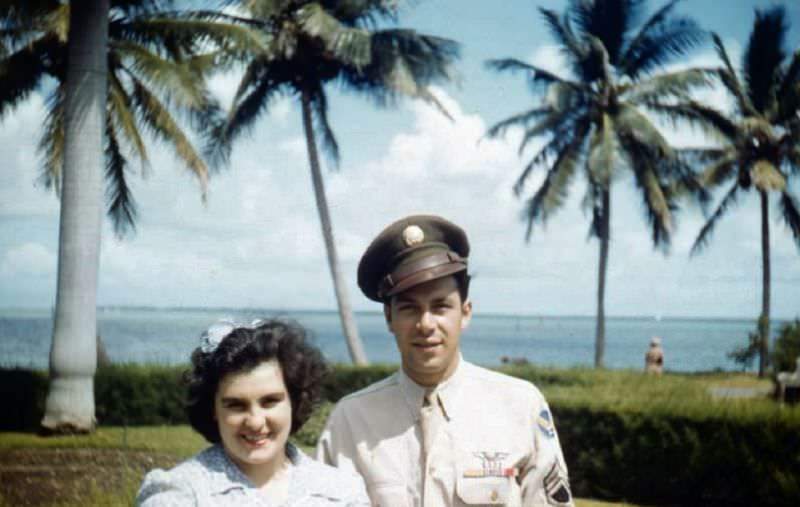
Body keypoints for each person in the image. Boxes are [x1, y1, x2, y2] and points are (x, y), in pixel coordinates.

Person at [316, 215, 574, 506]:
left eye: (440, 307)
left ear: (465, 312)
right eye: (410, 309)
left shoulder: (520, 406)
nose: (425, 324)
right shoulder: (350, 421)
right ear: (389, 318)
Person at [136, 318, 370, 506]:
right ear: (213, 410)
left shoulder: (342, 491)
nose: (256, 422)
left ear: (295, 401)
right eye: (236, 405)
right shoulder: (181, 492)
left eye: (269, 402)